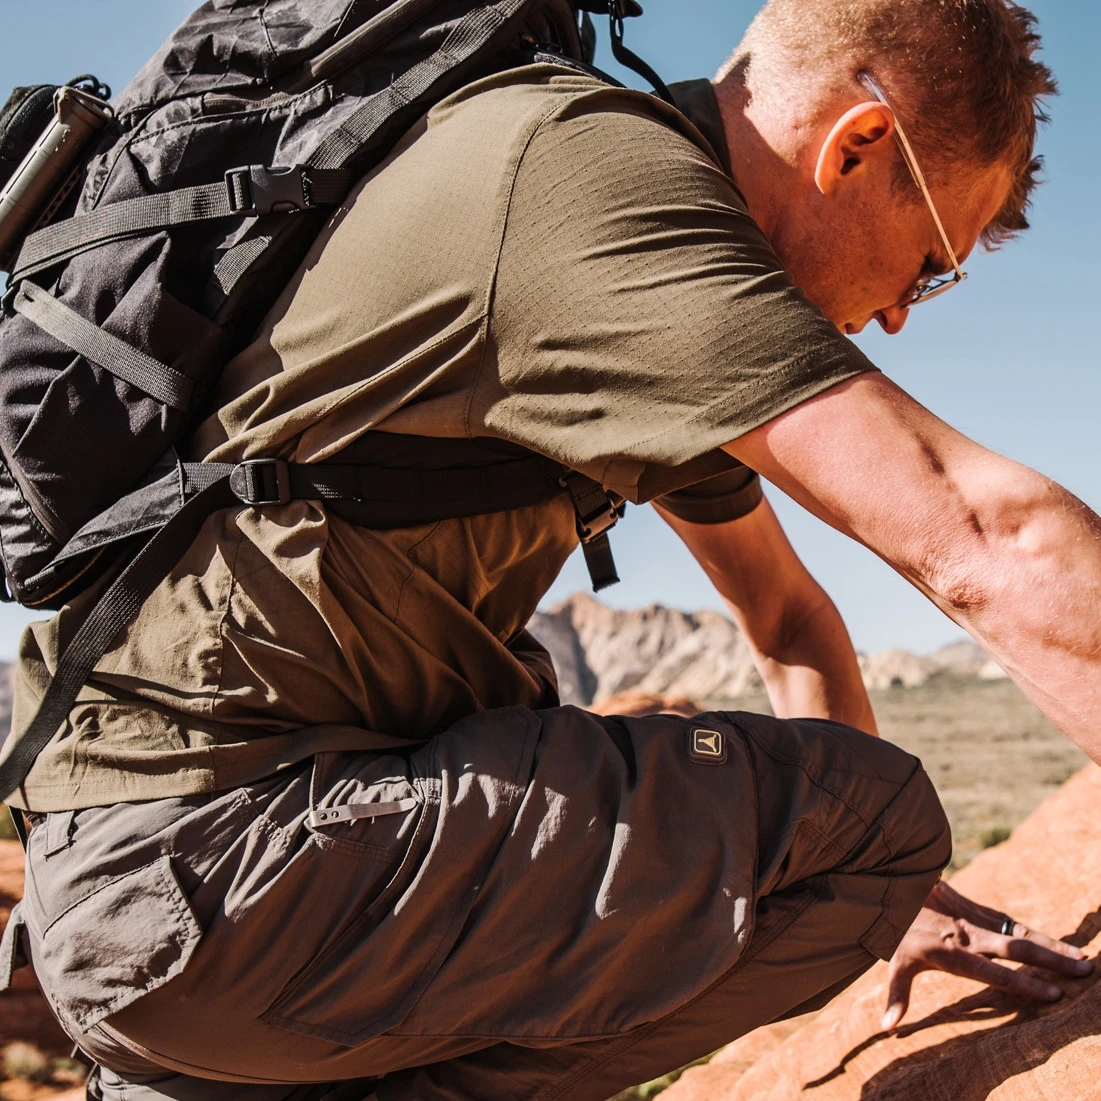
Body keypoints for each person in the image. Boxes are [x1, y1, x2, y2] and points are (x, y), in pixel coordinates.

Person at [2, 0, 1095, 1097]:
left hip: (173, 893)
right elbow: (984, 535)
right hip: (228, 871)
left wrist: (875, 913)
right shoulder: (594, 188)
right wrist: (863, 867)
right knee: (879, 819)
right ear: (855, 147)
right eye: (931, 264)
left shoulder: (622, 247)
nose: (904, 314)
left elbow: (787, 617)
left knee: (863, 841)